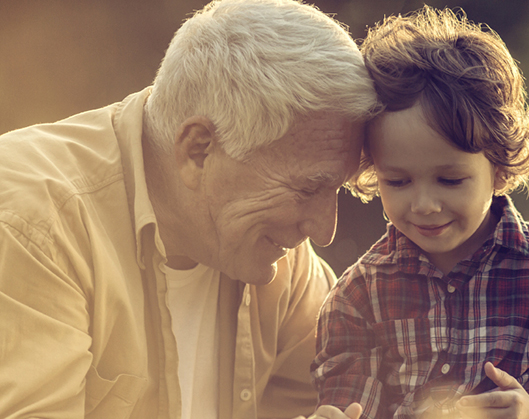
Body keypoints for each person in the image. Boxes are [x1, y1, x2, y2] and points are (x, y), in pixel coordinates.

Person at [0, 0, 380, 418]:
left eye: (337, 191)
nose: (324, 230)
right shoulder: (33, 225)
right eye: (308, 188)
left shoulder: (282, 265)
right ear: (198, 150)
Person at [310, 6, 529, 419]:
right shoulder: (359, 296)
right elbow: (350, 404)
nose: (424, 205)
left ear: (498, 168)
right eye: (398, 182)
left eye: (450, 180)